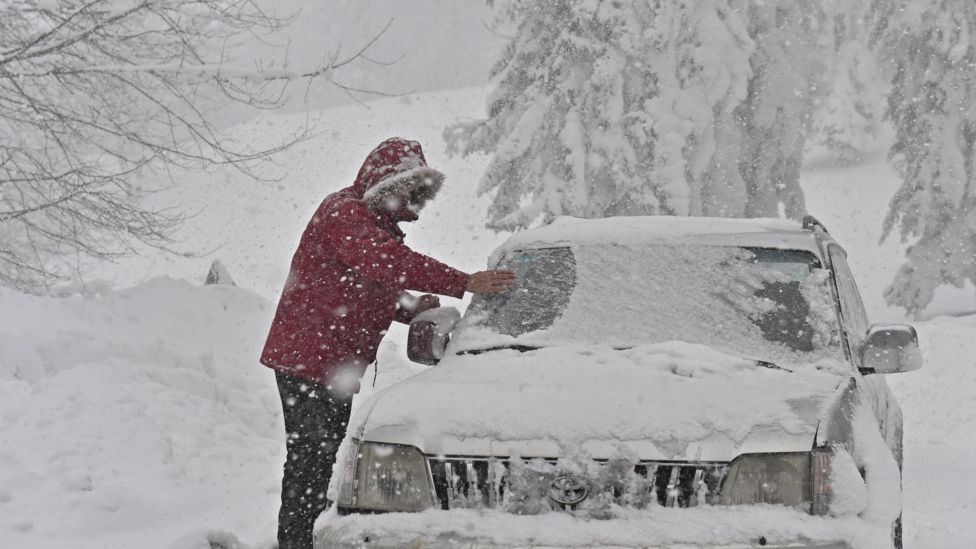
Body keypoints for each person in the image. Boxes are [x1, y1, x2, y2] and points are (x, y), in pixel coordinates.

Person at [259, 137, 515, 549]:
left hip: (330, 363)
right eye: (407, 189)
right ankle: (295, 542)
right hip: (307, 358)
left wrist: (421, 309)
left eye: (417, 194)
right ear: (385, 182)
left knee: (321, 460)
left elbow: (376, 287)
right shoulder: (344, 213)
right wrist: (462, 282)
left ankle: (304, 537)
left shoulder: (374, 228)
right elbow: (386, 264)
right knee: (310, 462)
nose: (411, 201)